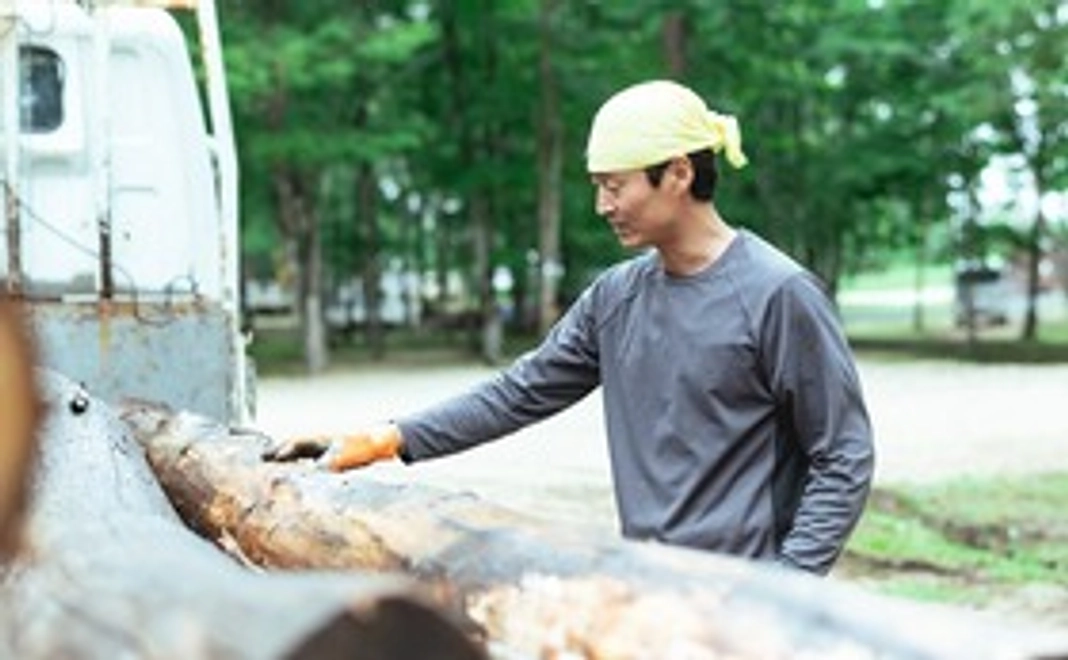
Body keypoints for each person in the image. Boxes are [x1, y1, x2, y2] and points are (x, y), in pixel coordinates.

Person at [264, 79, 875, 575]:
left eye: (614, 186)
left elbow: (843, 456)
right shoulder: (617, 296)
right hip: (647, 587)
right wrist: (383, 440)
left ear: (679, 174)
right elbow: (519, 392)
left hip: (748, 599)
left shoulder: (778, 294)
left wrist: (789, 586)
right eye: (597, 187)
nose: (602, 206)